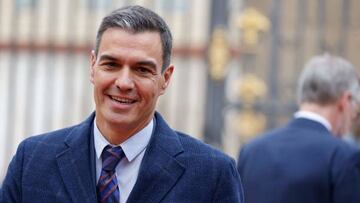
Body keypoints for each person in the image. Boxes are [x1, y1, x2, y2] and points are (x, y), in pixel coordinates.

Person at [1, 5, 244, 203]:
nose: (124, 82)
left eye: (141, 69)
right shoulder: (32, 161)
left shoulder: (212, 175)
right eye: (111, 65)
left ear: (165, 79)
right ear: (92, 67)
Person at [237, 54, 360, 203]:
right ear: (345, 100)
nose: (354, 116)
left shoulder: (251, 150)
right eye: (356, 105)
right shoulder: (344, 156)